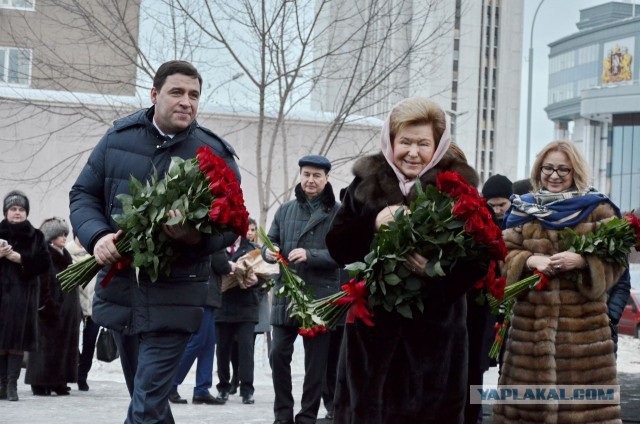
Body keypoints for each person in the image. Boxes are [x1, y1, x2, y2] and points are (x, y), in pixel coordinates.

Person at [69, 60, 240, 423]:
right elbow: (83, 195)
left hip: (176, 297)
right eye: (177, 92)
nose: (186, 102)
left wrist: (194, 236)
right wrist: (97, 236)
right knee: (150, 404)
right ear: (154, 94)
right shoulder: (118, 139)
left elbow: (232, 224)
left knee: (145, 406)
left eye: (194, 95)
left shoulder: (213, 155)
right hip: (122, 292)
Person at [325, 97, 488, 423]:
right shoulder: (366, 184)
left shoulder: (456, 189)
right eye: (405, 142)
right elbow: (337, 246)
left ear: (438, 146)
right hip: (373, 337)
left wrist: (433, 271)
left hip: (435, 340)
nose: (413, 152)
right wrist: (372, 223)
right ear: (391, 141)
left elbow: (479, 259)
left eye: (423, 143)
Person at [493, 140, 625, 423]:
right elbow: (502, 255)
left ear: (574, 171)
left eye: (562, 170)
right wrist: (528, 261)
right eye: (547, 168)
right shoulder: (524, 208)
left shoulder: (599, 209)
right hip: (529, 339)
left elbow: (617, 263)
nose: (554, 175)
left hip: (584, 342)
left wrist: (583, 261)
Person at [262, 154, 341, 424]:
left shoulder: (338, 212)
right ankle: (282, 415)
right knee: (278, 354)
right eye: (306, 174)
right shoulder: (285, 210)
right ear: (300, 175)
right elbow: (270, 242)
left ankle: (307, 416)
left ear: (326, 179)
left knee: (315, 364)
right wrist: (269, 252)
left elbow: (345, 254)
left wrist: (312, 255)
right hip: (287, 294)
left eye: (317, 175)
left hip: (320, 299)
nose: (310, 180)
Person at [0, 191, 51, 401]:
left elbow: (44, 264)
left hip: (24, 296)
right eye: (13, 209)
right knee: (1, 342)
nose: (17, 213)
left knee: (16, 341)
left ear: (26, 213)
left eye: (21, 209)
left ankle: (12, 386)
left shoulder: (36, 236)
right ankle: (1, 385)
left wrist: (20, 258)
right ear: (6, 212)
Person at [26, 217, 82, 396]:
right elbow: (42, 283)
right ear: (50, 237)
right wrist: (47, 306)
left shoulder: (65, 256)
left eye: (65, 234)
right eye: (60, 234)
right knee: (45, 346)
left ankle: (59, 380)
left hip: (66, 310)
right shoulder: (44, 256)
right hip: (50, 309)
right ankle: (40, 381)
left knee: (63, 345)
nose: (64, 237)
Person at [169, 249, 230, 405]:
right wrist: (231, 266)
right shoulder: (215, 236)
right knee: (197, 342)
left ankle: (202, 389)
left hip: (206, 294)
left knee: (208, 345)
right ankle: (170, 383)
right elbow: (220, 264)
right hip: (205, 294)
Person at [213, 231, 264, 405]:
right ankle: (223, 388)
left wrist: (256, 280)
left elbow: (265, 277)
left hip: (246, 307)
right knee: (222, 351)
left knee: (246, 351)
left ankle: (247, 390)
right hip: (222, 307)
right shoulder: (216, 248)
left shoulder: (253, 249)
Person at [67, 233, 99, 392]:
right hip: (74, 307)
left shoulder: (96, 253)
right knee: (71, 342)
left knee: (90, 343)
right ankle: (71, 372)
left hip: (93, 307)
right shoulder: (67, 254)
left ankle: (82, 376)